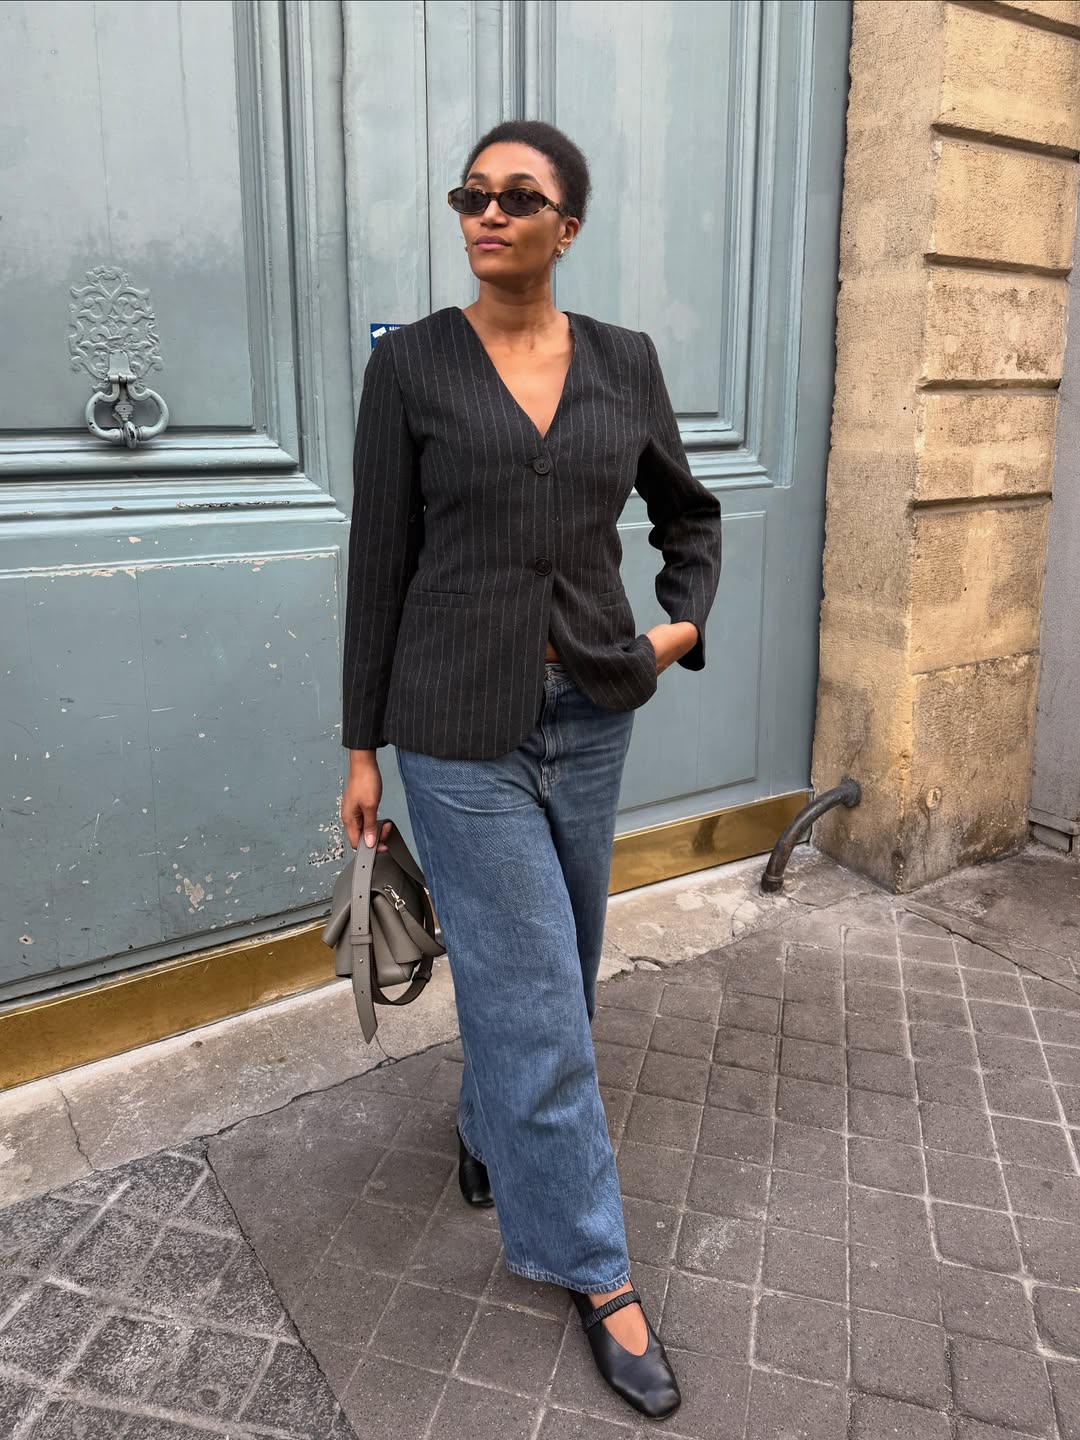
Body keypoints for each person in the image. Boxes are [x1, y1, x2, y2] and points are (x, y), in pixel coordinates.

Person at [340, 120, 722, 1421]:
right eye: (473, 195)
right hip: (454, 732)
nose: (489, 213)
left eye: (520, 197)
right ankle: (599, 1273)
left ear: (569, 225)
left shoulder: (625, 362)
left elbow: (690, 512)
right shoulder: (413, 371)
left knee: (557, 967)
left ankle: (490, 1131)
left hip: (594, 710)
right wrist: (359, 751)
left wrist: (675, 625)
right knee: (543, 1006)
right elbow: (378, 565)